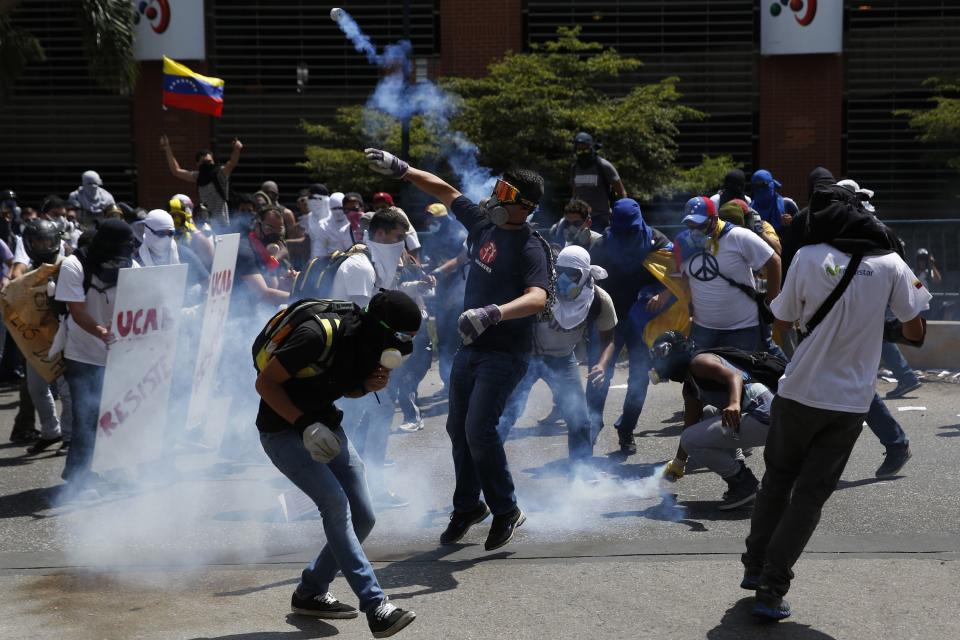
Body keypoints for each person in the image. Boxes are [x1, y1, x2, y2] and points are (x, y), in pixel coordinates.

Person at [741, 218, 930, 619]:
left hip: (797, 393)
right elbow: (915, 332)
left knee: (776, 481)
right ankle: (771, 590)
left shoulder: (808, 255)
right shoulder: (892, 263)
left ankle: (754, 568)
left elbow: (780, 324)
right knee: (808, 498)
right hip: (848, 405)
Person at [366, 147, 552, 550]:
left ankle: (506, 509)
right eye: (498, 186)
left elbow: (538, 297)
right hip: (472, 347)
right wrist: (402, 169)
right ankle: (468, 507)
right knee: (457, 429)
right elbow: (446, 190)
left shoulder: (531, 247)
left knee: (478, 431)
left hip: (506, 353)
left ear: (525, 206)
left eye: (505, 191)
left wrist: (493, 312)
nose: (496, 195)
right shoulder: (485, 224)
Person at [254, 290, 419, 637]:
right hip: (283, 432)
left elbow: (344, 386)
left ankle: (311, 590)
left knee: (364, 515)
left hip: (326, 426)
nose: (402, 348)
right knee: (335, 503)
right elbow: (265, 383)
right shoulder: (316, 335)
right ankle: (376, 606)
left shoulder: (370, 343)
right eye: (401, 338)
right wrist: (303, 425)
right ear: (383, 329)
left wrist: (366, 385)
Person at [498, 246, 616, 468]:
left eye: (571, 274)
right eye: (559, 270)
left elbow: (608, 337)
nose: (563, 278)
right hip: (528, 358)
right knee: (506, 416)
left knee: (580, 422)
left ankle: (581, 474)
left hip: (563, 360)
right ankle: (487, 471)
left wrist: (601, 364)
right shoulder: (542, 290)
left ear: (584, 274)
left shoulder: (598, 300)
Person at [588, 198, 682, 455]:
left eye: (631, 229)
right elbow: (588, 280)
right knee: (598, 377)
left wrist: (663, 293)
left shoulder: (658, 241)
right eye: (622, 229)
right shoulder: (602, 245)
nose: (627, 234)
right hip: (609, 320)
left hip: (645, 323)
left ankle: (626, 430)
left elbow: (678, 274)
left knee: (638, 381)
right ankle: (589, 431)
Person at [54, 219, 138, 490]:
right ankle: (78, 477)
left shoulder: (130, 264)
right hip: (83, 354)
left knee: (119, 415)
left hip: (120, 354)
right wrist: (101, 331)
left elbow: (146, 299)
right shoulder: (74, 265)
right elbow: (77, 311)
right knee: (87, 417)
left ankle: (112, 469)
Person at [649, 331, 776, 509]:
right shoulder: (690, 386)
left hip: (765, 416)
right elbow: (690, 425)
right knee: (708, 413)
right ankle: (739, 469)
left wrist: (733, 404)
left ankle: (743, 484)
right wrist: (679, 463)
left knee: (691, 439)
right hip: (759, 416)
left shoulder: (699, 362)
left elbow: (735, 377)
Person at [674, 196, 781, 353]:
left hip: (742, 330)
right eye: (691, 225)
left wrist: (771, 304)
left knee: (742, 375)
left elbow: (774, 261)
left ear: (714, 219)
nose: (695, 230)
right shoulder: (683, 244)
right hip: (702, 330)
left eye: (701, 225)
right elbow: (681, 279)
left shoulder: (738, 236)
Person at [16, 219, 73, 456]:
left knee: (67, 391)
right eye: (37, 241)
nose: (42, 246)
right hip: (38, 339)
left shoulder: (66, 266)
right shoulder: (29, 272)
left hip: (64, 336)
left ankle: (70, 436)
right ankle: (51, 431)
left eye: (47, 240)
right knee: (36, 387)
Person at [161, 134, 242, 228]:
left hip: (222, 224)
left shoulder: (220, 174)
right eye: (204, 163)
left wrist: (237, 149)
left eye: (209, 162)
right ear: (198, 164)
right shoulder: (198, 176)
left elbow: (232, 163)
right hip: (205, 223)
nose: (208, 165)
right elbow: (176, 171)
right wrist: (167, 148)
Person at [570, 132, 626, 232]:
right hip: (581, 220)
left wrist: (620, 215)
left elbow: (621, 192)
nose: (583, 153)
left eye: (586, 149)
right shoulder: (575, 168)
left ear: (591, 148)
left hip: (601, 218)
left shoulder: (603, 166)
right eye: (579, 150)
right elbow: (574, 194)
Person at [749, 169, 798, 234]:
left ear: (771, 185)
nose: (760, 190)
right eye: (756, 187)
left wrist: (792, 223)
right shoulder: (749, 210)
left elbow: (802, 230)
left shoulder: (788, 204)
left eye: (763, 186)